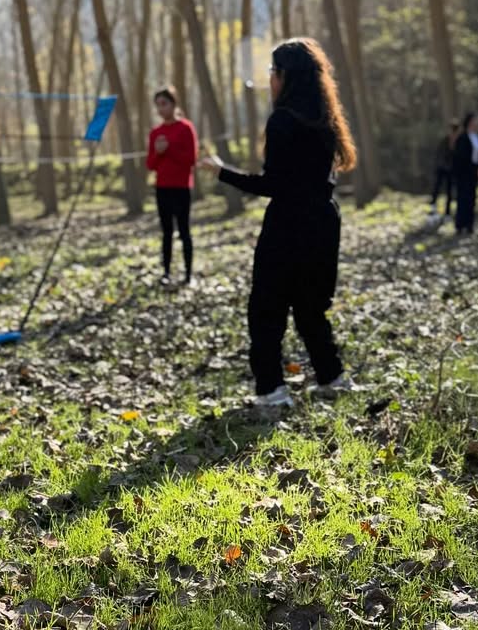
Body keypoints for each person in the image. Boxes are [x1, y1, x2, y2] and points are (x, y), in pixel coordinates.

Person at [198, 38, 356, 407]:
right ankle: (332, 376)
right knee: (310, 306)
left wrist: (222, 172)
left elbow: (272, 185)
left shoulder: (283, 121)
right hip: (323, 222)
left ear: (286, 76)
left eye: (273, 72)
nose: (269, 79)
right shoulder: (325, 118)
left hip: (289, 224)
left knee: (266, 309)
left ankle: (271, 389)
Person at [145, 87, 198, 285]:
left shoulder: (186, 128)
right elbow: (150, 164)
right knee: (166, 231)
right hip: (162, 188)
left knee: (184, 231)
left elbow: (191, 159)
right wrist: (158, 152)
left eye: (164, 104)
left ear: (173, 104)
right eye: (157, 105)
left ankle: (188, 274)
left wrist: (169, 149)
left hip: (182, 187)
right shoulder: (155, 133)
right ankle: (166, 273)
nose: (160, 109)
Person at [452, 111, 478, 236]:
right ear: (470, 121)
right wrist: (473, 168)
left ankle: (469, 224)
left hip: (474, 173)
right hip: (464, 173)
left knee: (472, 198)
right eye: (476, 120)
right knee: (462, 198)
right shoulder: (463, 137)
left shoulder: (476, 137)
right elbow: (461, 157)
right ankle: (460, 225)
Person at [428, 118, 460, 221]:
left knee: (449, 192)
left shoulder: (459, 143)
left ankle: (447, 213)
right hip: (442, 169)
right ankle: (433, 207)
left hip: (452, 171)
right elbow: (440, 155)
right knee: (437, 188)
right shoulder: (444, 141)